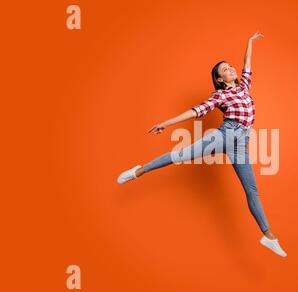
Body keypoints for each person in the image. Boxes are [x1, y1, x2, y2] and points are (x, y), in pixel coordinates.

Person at [117, 31, 287, 257]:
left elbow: (247, 63)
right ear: (219, 79)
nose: (231, 69)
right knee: (182, 155)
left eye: (230, 67)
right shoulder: (219, 96)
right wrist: (166, 123)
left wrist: (249, 41)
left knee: (252, 190)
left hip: (241, 142)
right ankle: (139, 171)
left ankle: (269, 236)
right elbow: (195, 110)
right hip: (225, 134)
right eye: (225, 70)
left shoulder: (244, 86)